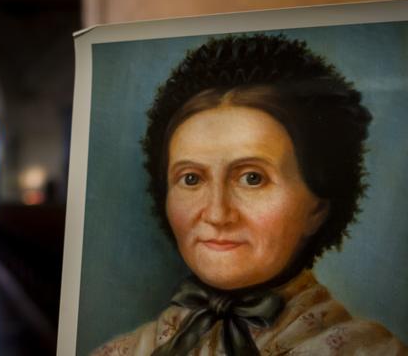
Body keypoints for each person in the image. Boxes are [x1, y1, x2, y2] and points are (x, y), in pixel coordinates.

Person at [92, 34, 407, 355]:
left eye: (252, 178)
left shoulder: (368, 351)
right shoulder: (130, 350)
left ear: (318, 207)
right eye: (190, 178)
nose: (217, 213)